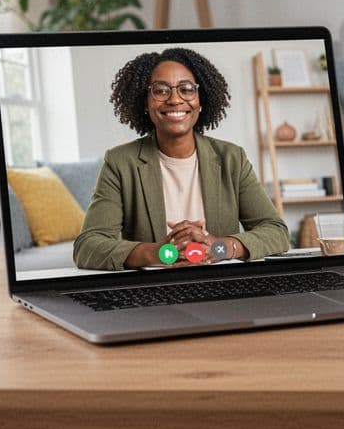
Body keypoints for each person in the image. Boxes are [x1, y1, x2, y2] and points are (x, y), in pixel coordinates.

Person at [73, 48, 290, 270]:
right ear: (145, 103)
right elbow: (88, 246)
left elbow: (276, 231)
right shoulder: (120, 162)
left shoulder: (232, 158)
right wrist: (160, 252)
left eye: (187, 89)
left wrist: (218, 248)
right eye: (160, 90)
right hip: (153, 291)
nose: (175, 99)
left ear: (200, 100)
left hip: (220, 285)